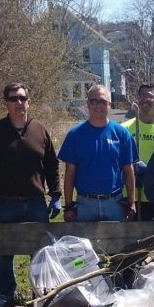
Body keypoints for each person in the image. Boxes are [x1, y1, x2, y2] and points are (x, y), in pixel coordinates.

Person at [0, 82, 62, 299]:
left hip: (36, 202)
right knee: (3, 253)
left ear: (29, 102)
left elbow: (52, 165)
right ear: (6, 103)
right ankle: (5, 300)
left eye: (22, 98)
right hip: (5, 203)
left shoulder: (40, 130)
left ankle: (41, 298)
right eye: (13, 99)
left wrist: (56, 195)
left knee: (41, 253)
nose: (18, 103)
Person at [58, 85, 138, 222]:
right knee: (84, 243)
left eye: (102, 101)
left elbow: (128, 170)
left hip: (114, 203)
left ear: (109, 104)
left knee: (117, 242)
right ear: (88, 104)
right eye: (94, 101)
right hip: (85, 204)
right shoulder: (75, 135)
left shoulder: (122, 133)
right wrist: (69, 206)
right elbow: (69, 173)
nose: (98, 105)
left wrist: (131, 202)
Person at [121, 84, 154, 220]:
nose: (145, 100)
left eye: (149, 96)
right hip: (129, 196)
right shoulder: (124, 129)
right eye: (142, 96)